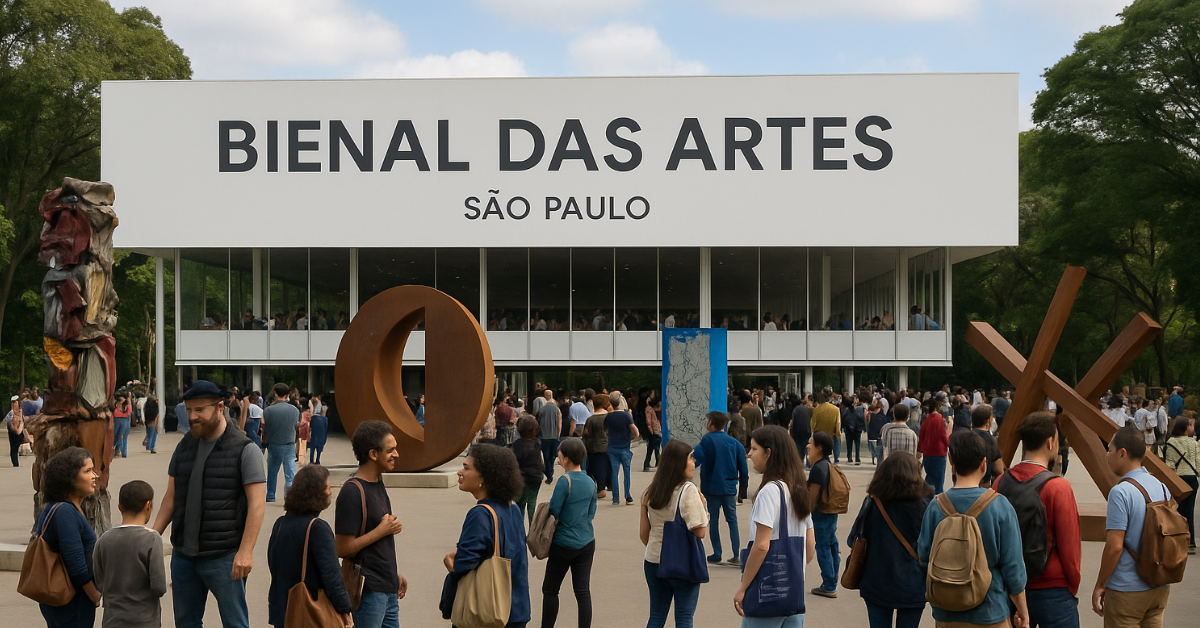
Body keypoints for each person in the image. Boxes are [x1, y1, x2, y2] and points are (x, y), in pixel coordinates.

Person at [152, 380, 266, 628]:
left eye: (199, 410)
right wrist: (150, 538)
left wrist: (245, 552)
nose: (192, 417)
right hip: (183, 556)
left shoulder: (245, 449)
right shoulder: (184, 446)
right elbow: (171, 498)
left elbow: (257, 505)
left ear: (219, 407)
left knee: (235, 623)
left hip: (225, 556)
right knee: (186, 623)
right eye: (188, 410)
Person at [918, 430, 1029, 628]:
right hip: (990, 611)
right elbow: (1013, 567)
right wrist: (1022, 609)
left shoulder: (936, 506)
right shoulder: (999, 505)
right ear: (984, 463)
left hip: (946, 613)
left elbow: (923, 556)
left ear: (951, 461)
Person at [993, 411, 1081, 628]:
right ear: (1050, 442)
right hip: (1052, 587)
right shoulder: (1058, 486)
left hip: (1010, 588)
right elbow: (1070, 547)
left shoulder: (1000, 482)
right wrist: (1072, 583)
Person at [1092, 426, 1175, 626]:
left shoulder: (1121, 492)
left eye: (1110, 450)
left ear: (1123, 453)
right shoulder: (1162, 487)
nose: (1107, 455)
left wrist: (1100, 584)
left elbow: (1115, 546)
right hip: (1159, 586)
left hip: (1127, 590)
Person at [441, 444, 531, 628]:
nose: (460, 472)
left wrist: (450, 563)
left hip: (487, 612)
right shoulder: (513, 509)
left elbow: (465, 563)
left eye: (466, 468)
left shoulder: (480, 514)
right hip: (516, 609)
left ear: (484, 477)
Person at [734, 426, 816, 628]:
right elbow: (810, 547)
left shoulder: (769, 491)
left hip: (767, 595)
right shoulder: (798, 490)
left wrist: (743, 587)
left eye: (754, 449)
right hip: (794, 597)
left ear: (768, 452)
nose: (749, 454)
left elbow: (762, 545)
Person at [335, 420, 408, 628]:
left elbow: (378, 545)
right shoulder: (352, 492)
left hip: (388, 588)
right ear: (373, 454)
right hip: (368, 591)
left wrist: (393, 573)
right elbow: (342, 548)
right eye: (390, 450)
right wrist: (381, 530)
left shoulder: (377, 482)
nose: (396, 454)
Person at [846, 451, 930, 628]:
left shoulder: (872, 502)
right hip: (912, 584)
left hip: (876, 581)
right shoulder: (925, 505)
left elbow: (853, 538)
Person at [267, 465, 353, 628]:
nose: (330, 492)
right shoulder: (317, 528)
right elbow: (332, 576)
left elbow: (274, 567)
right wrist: (345, 610)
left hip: (284, 612)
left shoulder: (280, 524)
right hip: (310, 612)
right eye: (327, 487)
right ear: (315, 493)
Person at [640, 439, 709, 628]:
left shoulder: (651, 491)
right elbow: (700, 531)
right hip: (682, 563)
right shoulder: (688, 490)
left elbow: (644, 533)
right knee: (684, 617)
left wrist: (660, 548)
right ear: (678, 463)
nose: (694, 461)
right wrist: (704, 506)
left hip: (653, 560)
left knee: (656, 616)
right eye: (690, 457)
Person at [30, 447, 101, 628]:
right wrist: (93, 594)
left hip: (69, 599)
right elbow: (75, 562)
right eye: (87, 471)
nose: (95, 476)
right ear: (69, 478)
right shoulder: (65, 512)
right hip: (71, 600)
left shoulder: (71, 508)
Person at [94, 480, 168, 628]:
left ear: (120, 507)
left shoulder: (104, 540)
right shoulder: (152, 539)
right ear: (148, 506)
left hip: (113, 619)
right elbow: (159, 587)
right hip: (144, 619)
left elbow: (99, 580)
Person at [542, 439, 598, 628]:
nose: (557, 460)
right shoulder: (591, 482)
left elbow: (555, 510)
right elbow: (591, 513)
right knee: (583, 592)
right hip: (587, 541)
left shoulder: (564, 481)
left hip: (563, 543)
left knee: (550, 589)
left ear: (566, 458)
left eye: (559, 457)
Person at [692, 411, 748, 566]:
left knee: (714, 520)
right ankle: (736, 554)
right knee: (732, 520)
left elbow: (696, 459)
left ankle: (717, 553)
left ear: (710, 423)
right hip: (729, 487)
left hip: (711, 487)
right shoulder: (735, 443)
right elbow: (743, 468)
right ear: (726, 425)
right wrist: (743, 489)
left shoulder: (707, 440)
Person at [806, 431, 840, 599]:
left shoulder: (818, 469)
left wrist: (803, 513)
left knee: (823, 548)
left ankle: (829, 585)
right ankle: (831, 581)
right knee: (832, 546)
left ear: (819, 447)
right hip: (831, 512)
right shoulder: (827, 464)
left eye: (810, 443)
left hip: (820, 515)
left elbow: (812, 498)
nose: (807, 446)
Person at [1163, 416, 1198, 554]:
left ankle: (1177, 538)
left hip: (1178, 478)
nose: (1192, 427)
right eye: (1190, 425)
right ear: (1185, 428)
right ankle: (1191, 541)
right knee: (1189, 509)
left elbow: (1169, 464)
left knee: (1177, 510)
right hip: (1192, 478)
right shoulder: (1193, 443)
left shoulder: (1171, 443)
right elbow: (1198, 461)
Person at [263, 382, 300, 502]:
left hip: (274, 444)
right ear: (287, 394)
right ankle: (288, 497)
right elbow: (296, 426)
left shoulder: (268, 410)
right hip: (289, 444)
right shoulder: (294, 410)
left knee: (272, 472)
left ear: (275, 393)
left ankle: (270, 495)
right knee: (290, 474)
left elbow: (264, 427)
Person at [606, 390, 640, 506]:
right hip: (624, 446)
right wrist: (633, 439)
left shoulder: (608, 416)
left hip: (612, 446)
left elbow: (605, 430)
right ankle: (628, 496)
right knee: (626, 472)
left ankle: (616, 498)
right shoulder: (626, 416)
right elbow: (636, 431)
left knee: (614, 472)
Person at [512, 417, 544, 524]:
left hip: (521, 478)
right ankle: (533, 529)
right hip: (535, 478)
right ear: (535, 430)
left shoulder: (516, 445)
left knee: (520, 504)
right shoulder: (536, 444)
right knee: (532, 503)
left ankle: (520, 530)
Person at [582, 395, 611, 499]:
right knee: (606, 466)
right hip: (608, 445)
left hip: (594, 446)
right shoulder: (609, 417)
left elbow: (586, 433)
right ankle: (609, 483)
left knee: (595, 467)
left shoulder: (591, 419)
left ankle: (600, 488)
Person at [918, 399, 949, 495]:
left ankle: (927, 498)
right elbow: (944, 436)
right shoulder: (941, 419)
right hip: (939, 452)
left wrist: (919, 449)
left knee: (929, 478)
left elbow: (921, 436)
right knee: (939, 481)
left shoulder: (926, 420)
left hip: (927, 452)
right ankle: (938, 500)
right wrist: (949, 445)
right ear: (937, 407)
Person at [972, 404, 1006, 487]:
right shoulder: (990, 440)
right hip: (982, 484)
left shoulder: (964, 437)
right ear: (988, 421)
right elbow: (998, 469)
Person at [537, 389, 562, 484]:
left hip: (544, 436)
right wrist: (558, 435)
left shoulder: (542, 409)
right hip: (554, 436)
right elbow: (559, 423)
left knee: (546, 455)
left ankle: (548, 473)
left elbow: (538, 421)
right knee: (552, 456)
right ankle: (551, 470)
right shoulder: (557, 410)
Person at [811, 391, 841, 464]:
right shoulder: (836, 409)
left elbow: (813, 423)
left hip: (819, 431)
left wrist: (813, 432)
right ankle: (836, 458)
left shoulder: (816, 410)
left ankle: (823, 457)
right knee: (835, 443)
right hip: (831, 431)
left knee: (821, 446)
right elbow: (838, 422)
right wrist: (838, 432)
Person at [641, 392, 662, 472]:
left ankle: (648, 464)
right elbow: (648, 420)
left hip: (654, 430)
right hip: (654, 430)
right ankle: (658, 463)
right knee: (655, 447)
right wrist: (651, 429)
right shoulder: (650, 410)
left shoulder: (650, 409)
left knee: (651, 448)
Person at [866, 398, 888, 465]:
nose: (873, 403)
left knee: (879, 450)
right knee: (872, 448)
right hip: (872, 434)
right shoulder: (870, 415)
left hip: (879, 435)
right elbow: (867, 423)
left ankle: (878, 460)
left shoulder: (883, 416)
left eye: (874, 402)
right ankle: (874, 458)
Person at [7, 394, 24, 466]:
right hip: (13, 432)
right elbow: (9, 424)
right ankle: (15, 462)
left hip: (20, 432)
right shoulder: (10, 413)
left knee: (16, 446)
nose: (15, 404)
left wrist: (20, 428)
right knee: (14, 448)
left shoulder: (21, 412)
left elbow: (23, 421)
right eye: (13, 403)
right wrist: (15, 430)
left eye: (16, 403)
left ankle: (15, 462)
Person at [113, 394, 132, 458]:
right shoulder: (115, 405)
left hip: (124, 419)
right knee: (115, 434)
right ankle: (114, 447)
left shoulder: (126, 405)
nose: (123, 400)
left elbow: (129, 411)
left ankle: (122, 451)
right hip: (117, 419)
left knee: (122, 435)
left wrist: (128, 399)